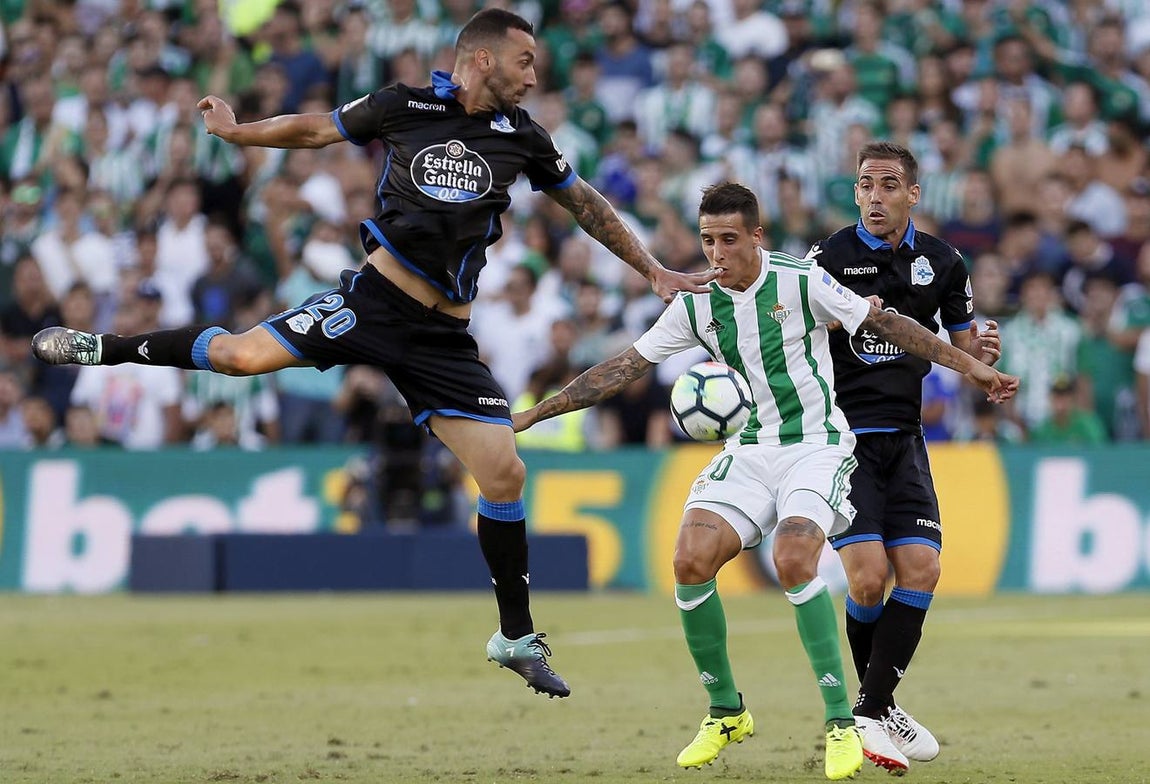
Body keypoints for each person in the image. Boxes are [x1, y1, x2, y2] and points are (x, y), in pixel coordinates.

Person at [31, 8, 716, 700]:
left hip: (442, 337)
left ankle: (514, 637)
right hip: (372, 303)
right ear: (482, 60)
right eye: (525, 61)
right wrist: (239, 132)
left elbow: (586, 205)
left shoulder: (525, 138)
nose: (535, 74)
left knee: (504, 472)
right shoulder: (403, 104)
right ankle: (103, 347)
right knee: (239, 358)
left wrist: (652, 269)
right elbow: (315, 128)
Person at [513, 183, 1018, 779]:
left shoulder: (803, 281)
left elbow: (894, 327)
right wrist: (529, 415)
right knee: (689, 561)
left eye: (729, 239)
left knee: (796, 557)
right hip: (750, 448)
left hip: (818, 446)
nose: (717, 253)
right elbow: (620, 369)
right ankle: (726, 711)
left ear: (756, 236)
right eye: (707, 241)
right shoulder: (696, 304)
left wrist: (975, 369)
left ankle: (842, 722)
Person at [812, 141, 1004, 773]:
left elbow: (964, 344)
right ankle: (876, 709)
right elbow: (794, 331)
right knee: (868, 579)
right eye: (865, 184)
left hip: (906, 437)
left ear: (913, 194)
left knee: (920, 570)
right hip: (845, 440)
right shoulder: (829, 259)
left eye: (889, 185)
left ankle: (868, 709)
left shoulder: (944, 263)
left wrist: (985, 357)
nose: (874, 196)